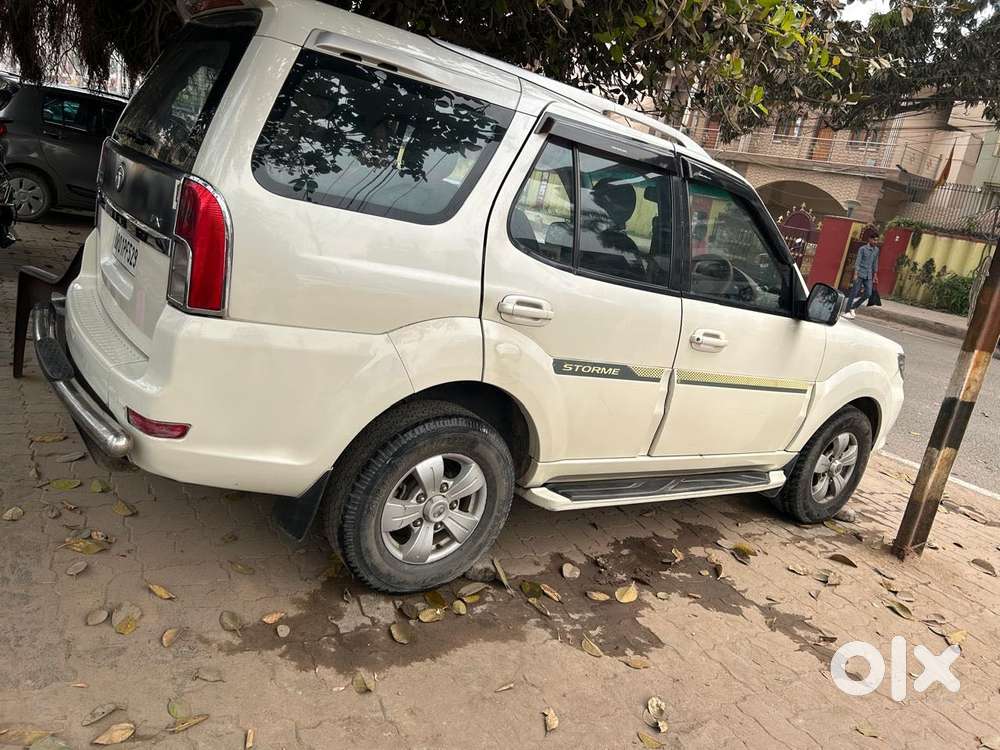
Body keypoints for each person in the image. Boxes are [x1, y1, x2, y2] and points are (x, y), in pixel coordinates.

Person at [843, 236, 879, 319]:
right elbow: (858, 261)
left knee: (868, 293)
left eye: (877, 240)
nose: (875, 242)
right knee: (854, 292)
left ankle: (853, 307)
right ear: (869, 239)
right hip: (860, 274)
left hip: (869, 275)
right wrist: (855, 274)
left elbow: (875, 262)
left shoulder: (876, 250)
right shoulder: (862, 249)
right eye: (874, 240)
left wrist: (875, 275)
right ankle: (847, 311)